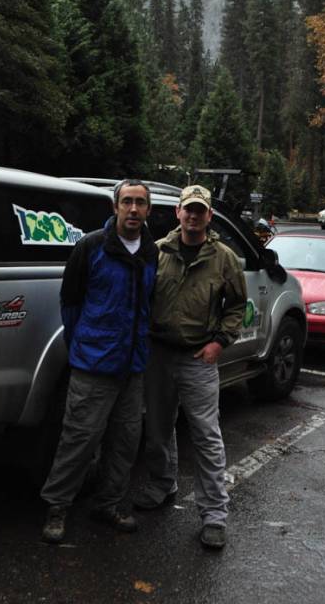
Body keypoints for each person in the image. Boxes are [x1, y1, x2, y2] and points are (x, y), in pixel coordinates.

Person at [40, 179, 158, 544]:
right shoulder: (91, 246)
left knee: (125, 442)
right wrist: (84, 348)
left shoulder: (152, 252)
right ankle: (57, 507)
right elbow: (70, 303)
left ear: (148, 210)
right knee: (79, 439)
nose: (134, 209)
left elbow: (148, 305)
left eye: (140, 203)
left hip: (132, 366)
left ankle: (108, 503)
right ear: (116, 207)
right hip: (94, 365)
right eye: (127, 202)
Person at [133, 184, 247, 550]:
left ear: (209, 216)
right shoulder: (158, 252)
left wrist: (219, 343)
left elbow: (237, 307)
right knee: (158, 429)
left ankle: (214, 515)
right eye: (188, 209)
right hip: (159, 355)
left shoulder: (224, 258)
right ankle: (162, 484)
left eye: (200, 210)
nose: (194, 216)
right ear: (178, 213)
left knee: (206, 437)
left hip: (199, 358)